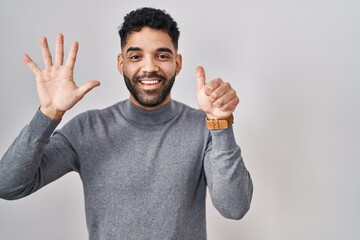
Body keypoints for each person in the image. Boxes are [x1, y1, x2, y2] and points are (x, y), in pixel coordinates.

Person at [0, 7, 253, 240]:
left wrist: (221, 124)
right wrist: (48, 114)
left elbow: (234, 207)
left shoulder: (204, 127)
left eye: (162, 55)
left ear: (177, 64)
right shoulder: (87, 129)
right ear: (121, 64)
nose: (149, 67)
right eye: (136, 57)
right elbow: (8, 186)